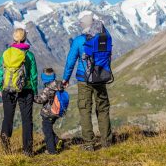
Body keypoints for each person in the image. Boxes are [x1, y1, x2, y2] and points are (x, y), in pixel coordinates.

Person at [62, 12, 112, 151]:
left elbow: (70, 61)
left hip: (84, 80)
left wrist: (65, 78)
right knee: (103, 108)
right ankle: (106, 141)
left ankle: (89, 144)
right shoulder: (105, 37)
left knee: (85, 110)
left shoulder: (79, 40)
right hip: (101, 77)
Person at [0, 28, 38, 156]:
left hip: (8, 89)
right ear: (25, 38)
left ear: (13, 39)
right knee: (26, 119)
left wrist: (1, 87)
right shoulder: (29, 55)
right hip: (25, 90)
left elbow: (1, 72)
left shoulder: (6, 53)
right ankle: (27, 150)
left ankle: (5, 148)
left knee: (8, 118)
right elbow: (33, 75)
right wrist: (34, 90)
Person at [34, 68, 64, 154]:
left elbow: (40, 100)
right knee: (49, 129)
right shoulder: (58, 85)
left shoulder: (48, 88)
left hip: (48, 113)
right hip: (56, 112)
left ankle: (51, 150)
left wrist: (33, 97)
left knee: (47, 131)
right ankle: (57, 141)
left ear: (45, 78)